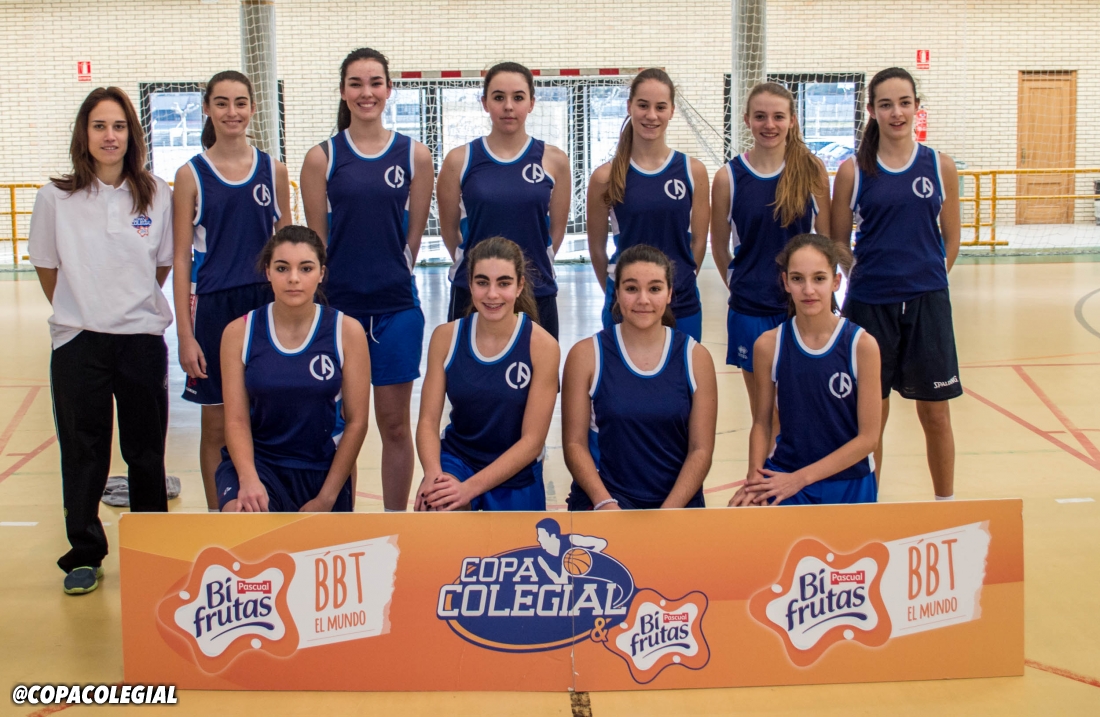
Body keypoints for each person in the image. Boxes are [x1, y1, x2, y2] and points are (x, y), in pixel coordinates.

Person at [28, 87, 173, 594]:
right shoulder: (55, 197)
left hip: (140, 339)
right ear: (83, 134)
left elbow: (160, 266)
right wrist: (83, 309)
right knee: (83, 451)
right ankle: (85, 553)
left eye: (119, 126)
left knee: (145, 451)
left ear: (132, 134)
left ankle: (152, 549)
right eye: (99, 126)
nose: (110, 136)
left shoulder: (156, 193)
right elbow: (47, 266)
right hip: (79, 342)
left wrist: (126, 305)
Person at [300, 48, 433, 512]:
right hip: (340, 311)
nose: (366, 92)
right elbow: (317, 247)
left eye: (375, 82)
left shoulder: (415, 155)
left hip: (396, 309)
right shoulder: (322, 158)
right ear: (343, 91)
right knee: (343, 429)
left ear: (389, 88)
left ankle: (396, 524)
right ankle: (344, 522)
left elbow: (413, 240)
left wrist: (391, 271)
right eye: (356, 84)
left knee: (394, 425)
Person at [830, 67, 962, 500]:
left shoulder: (939, 165)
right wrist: (866, 280)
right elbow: (837, 242)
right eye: (886, 105)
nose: (896, 112)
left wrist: (928, 278)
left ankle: (945, 504)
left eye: (904, 103)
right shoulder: (853, 171)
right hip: (871, 306)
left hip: (927, 304)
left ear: (916, 107)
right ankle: (871, 507)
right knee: (871, 419)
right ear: (872, 111)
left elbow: (952, 237)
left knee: (936, 415)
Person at [172, 71, 291, 510]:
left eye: (240, 102)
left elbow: (289, 247)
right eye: (221, 103)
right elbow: (181, 259)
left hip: (265, 306)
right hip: (215, 309)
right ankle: (217, 515)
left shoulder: (273, 170)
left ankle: (269, 503)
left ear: (253, 108)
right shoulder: (190, 175)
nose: (231, 112)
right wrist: (185, 335)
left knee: (267, 417)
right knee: (218, 424)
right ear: (206, 108)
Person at [217, 226, 370, 513]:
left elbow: (357, 423)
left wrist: (326, 499)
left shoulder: (346, 331)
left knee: (314, 538)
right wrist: (248, 479)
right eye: (282, 268)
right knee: (241, 514)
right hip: (260, 463)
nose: (294, 278)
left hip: (320, 468)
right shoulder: (239, 333)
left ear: (321, 273)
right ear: (267, 272)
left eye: (306, 268)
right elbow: (236, 421)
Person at [729, 234, 881, 507]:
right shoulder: (769, 345)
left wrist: (800, 479)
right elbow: (762, 423)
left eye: (819, 278)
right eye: (798, 279)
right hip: (786, 475)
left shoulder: (862, 345)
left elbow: (868, 439)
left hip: (849, 480)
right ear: (786, 282)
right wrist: (754, 478)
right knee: (742, 514)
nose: (808, 289)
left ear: (836, 281)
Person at [563, 245, 717, 510]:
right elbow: (574, 444)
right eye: (632, 288)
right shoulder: (586, 355)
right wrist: (604, 503)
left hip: (676, 504)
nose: (643, 299)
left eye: (655, 289)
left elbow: (700, 450)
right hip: (606, 502)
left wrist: (668, 514)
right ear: (617, 293)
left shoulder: (696, 357)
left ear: (669, 293)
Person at [711, 81, 831, 421]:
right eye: (760, 116)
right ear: (747, 120)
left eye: (778, 116)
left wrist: (818, 293)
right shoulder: (729, 177)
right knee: (766, 415)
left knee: (806, 409)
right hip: (751, 309)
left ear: (792, 120)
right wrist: (740, 285)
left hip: (801, 306)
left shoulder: (811, 171)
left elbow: (826, 242)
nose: (769, 125)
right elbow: (719, 246)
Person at [414, 237, 559, 511]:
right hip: (459, 460)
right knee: (438, 505)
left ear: (519, 286)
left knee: (521, 540)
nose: (492, 294)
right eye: (482, 282)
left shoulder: (542, 346)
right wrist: (433, 476)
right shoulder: (446, 338)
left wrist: (468, 490)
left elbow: (532, 442)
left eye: (503, 283)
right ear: (470, 285)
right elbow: (427, 421)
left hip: (516, 469)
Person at [436, 61, 571, 338]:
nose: (508, 106)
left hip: (536, 289)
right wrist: (480, 271)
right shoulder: (459, 160)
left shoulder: (554, 160)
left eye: (518, 97)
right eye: (499, 97)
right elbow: (449, 232)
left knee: (539, 366)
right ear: (485, 103)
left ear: (531, 103)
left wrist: (529, 268)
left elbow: (556, 232)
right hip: (473, 293)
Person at [586, 68, 710, 343]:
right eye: (643, 105)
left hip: (681, 301)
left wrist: (679, 282)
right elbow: (596, 248)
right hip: (626, 305)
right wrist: (621, 291)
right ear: (629, 106)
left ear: (672, 111)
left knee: (683, 370)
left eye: (660, 107)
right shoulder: (605, 177)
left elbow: (699, 241)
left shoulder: (693, 171)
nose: (651, 115)